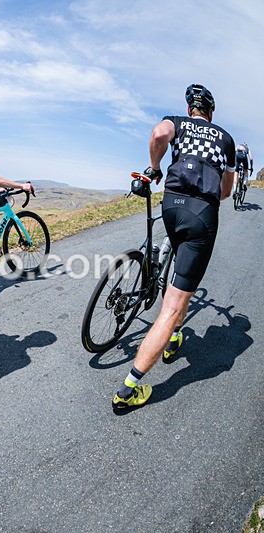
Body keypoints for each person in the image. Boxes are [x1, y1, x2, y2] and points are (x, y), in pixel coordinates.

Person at [112, 83, 236, 411]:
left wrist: (154, 167)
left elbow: (157, 135)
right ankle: (129, 389)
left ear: (191, 108)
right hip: (201, 213)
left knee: (175, 253)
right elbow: (226, 191)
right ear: (211, 112)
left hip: (171, 203)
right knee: (173, 306)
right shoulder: (225, 138)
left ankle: (173, 333)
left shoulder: (177, 122)